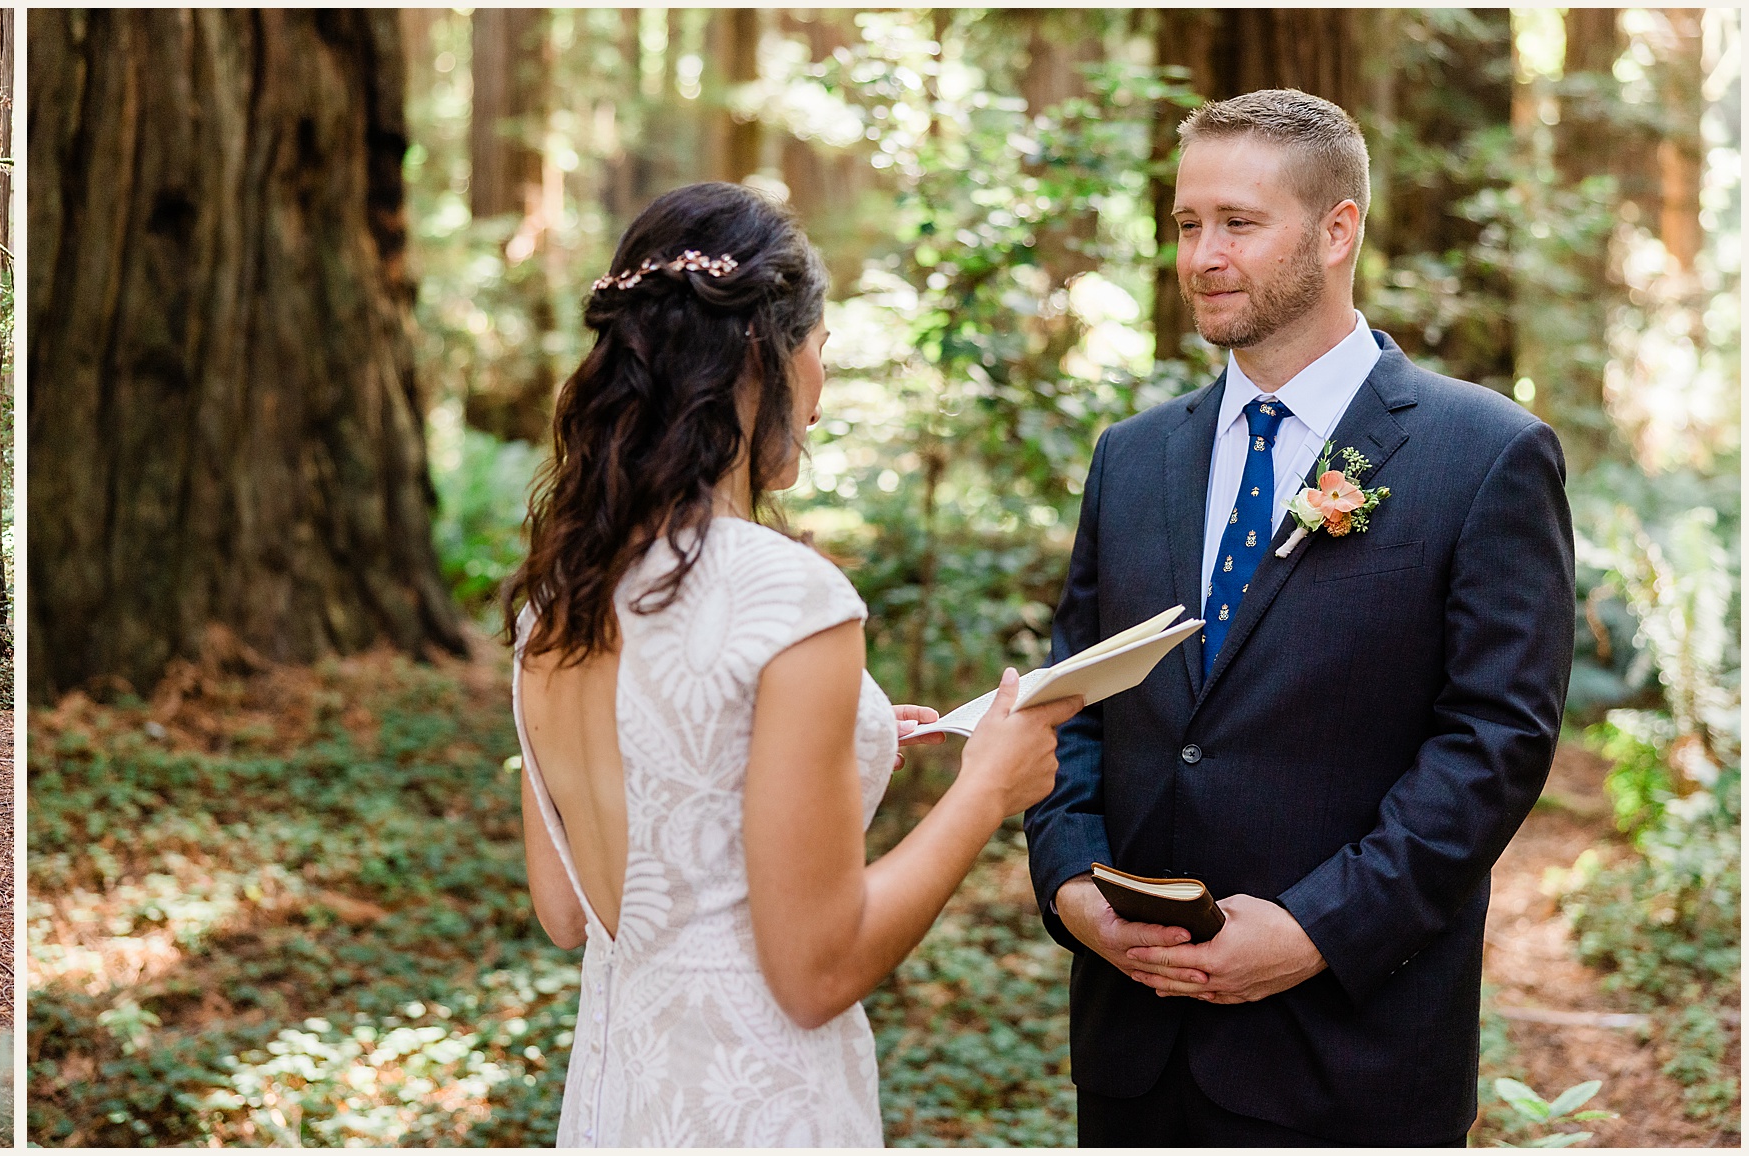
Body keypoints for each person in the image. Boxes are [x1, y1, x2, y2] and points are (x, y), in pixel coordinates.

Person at [1023, 89, 1575, 1145]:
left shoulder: (1485, 454)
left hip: (1350, 1053)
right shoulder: (1130, 459)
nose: (1199, 255)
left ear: (1337, 230)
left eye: (1237, 222)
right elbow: (1070, 707)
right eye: (1187, 223)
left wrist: (1315, 929)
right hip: (1134, 1055)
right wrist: (1071, 888)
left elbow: (1494, 744)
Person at [504, 181, 1080, 1146]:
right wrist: (987, 789)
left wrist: (831, 747)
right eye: (823, 353)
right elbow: (817, 972)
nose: (823, 388)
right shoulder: (789, 596)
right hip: (760, 1109)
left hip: (618, 1105)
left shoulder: (557, 596)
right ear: (766, 353)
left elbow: (569, 910)